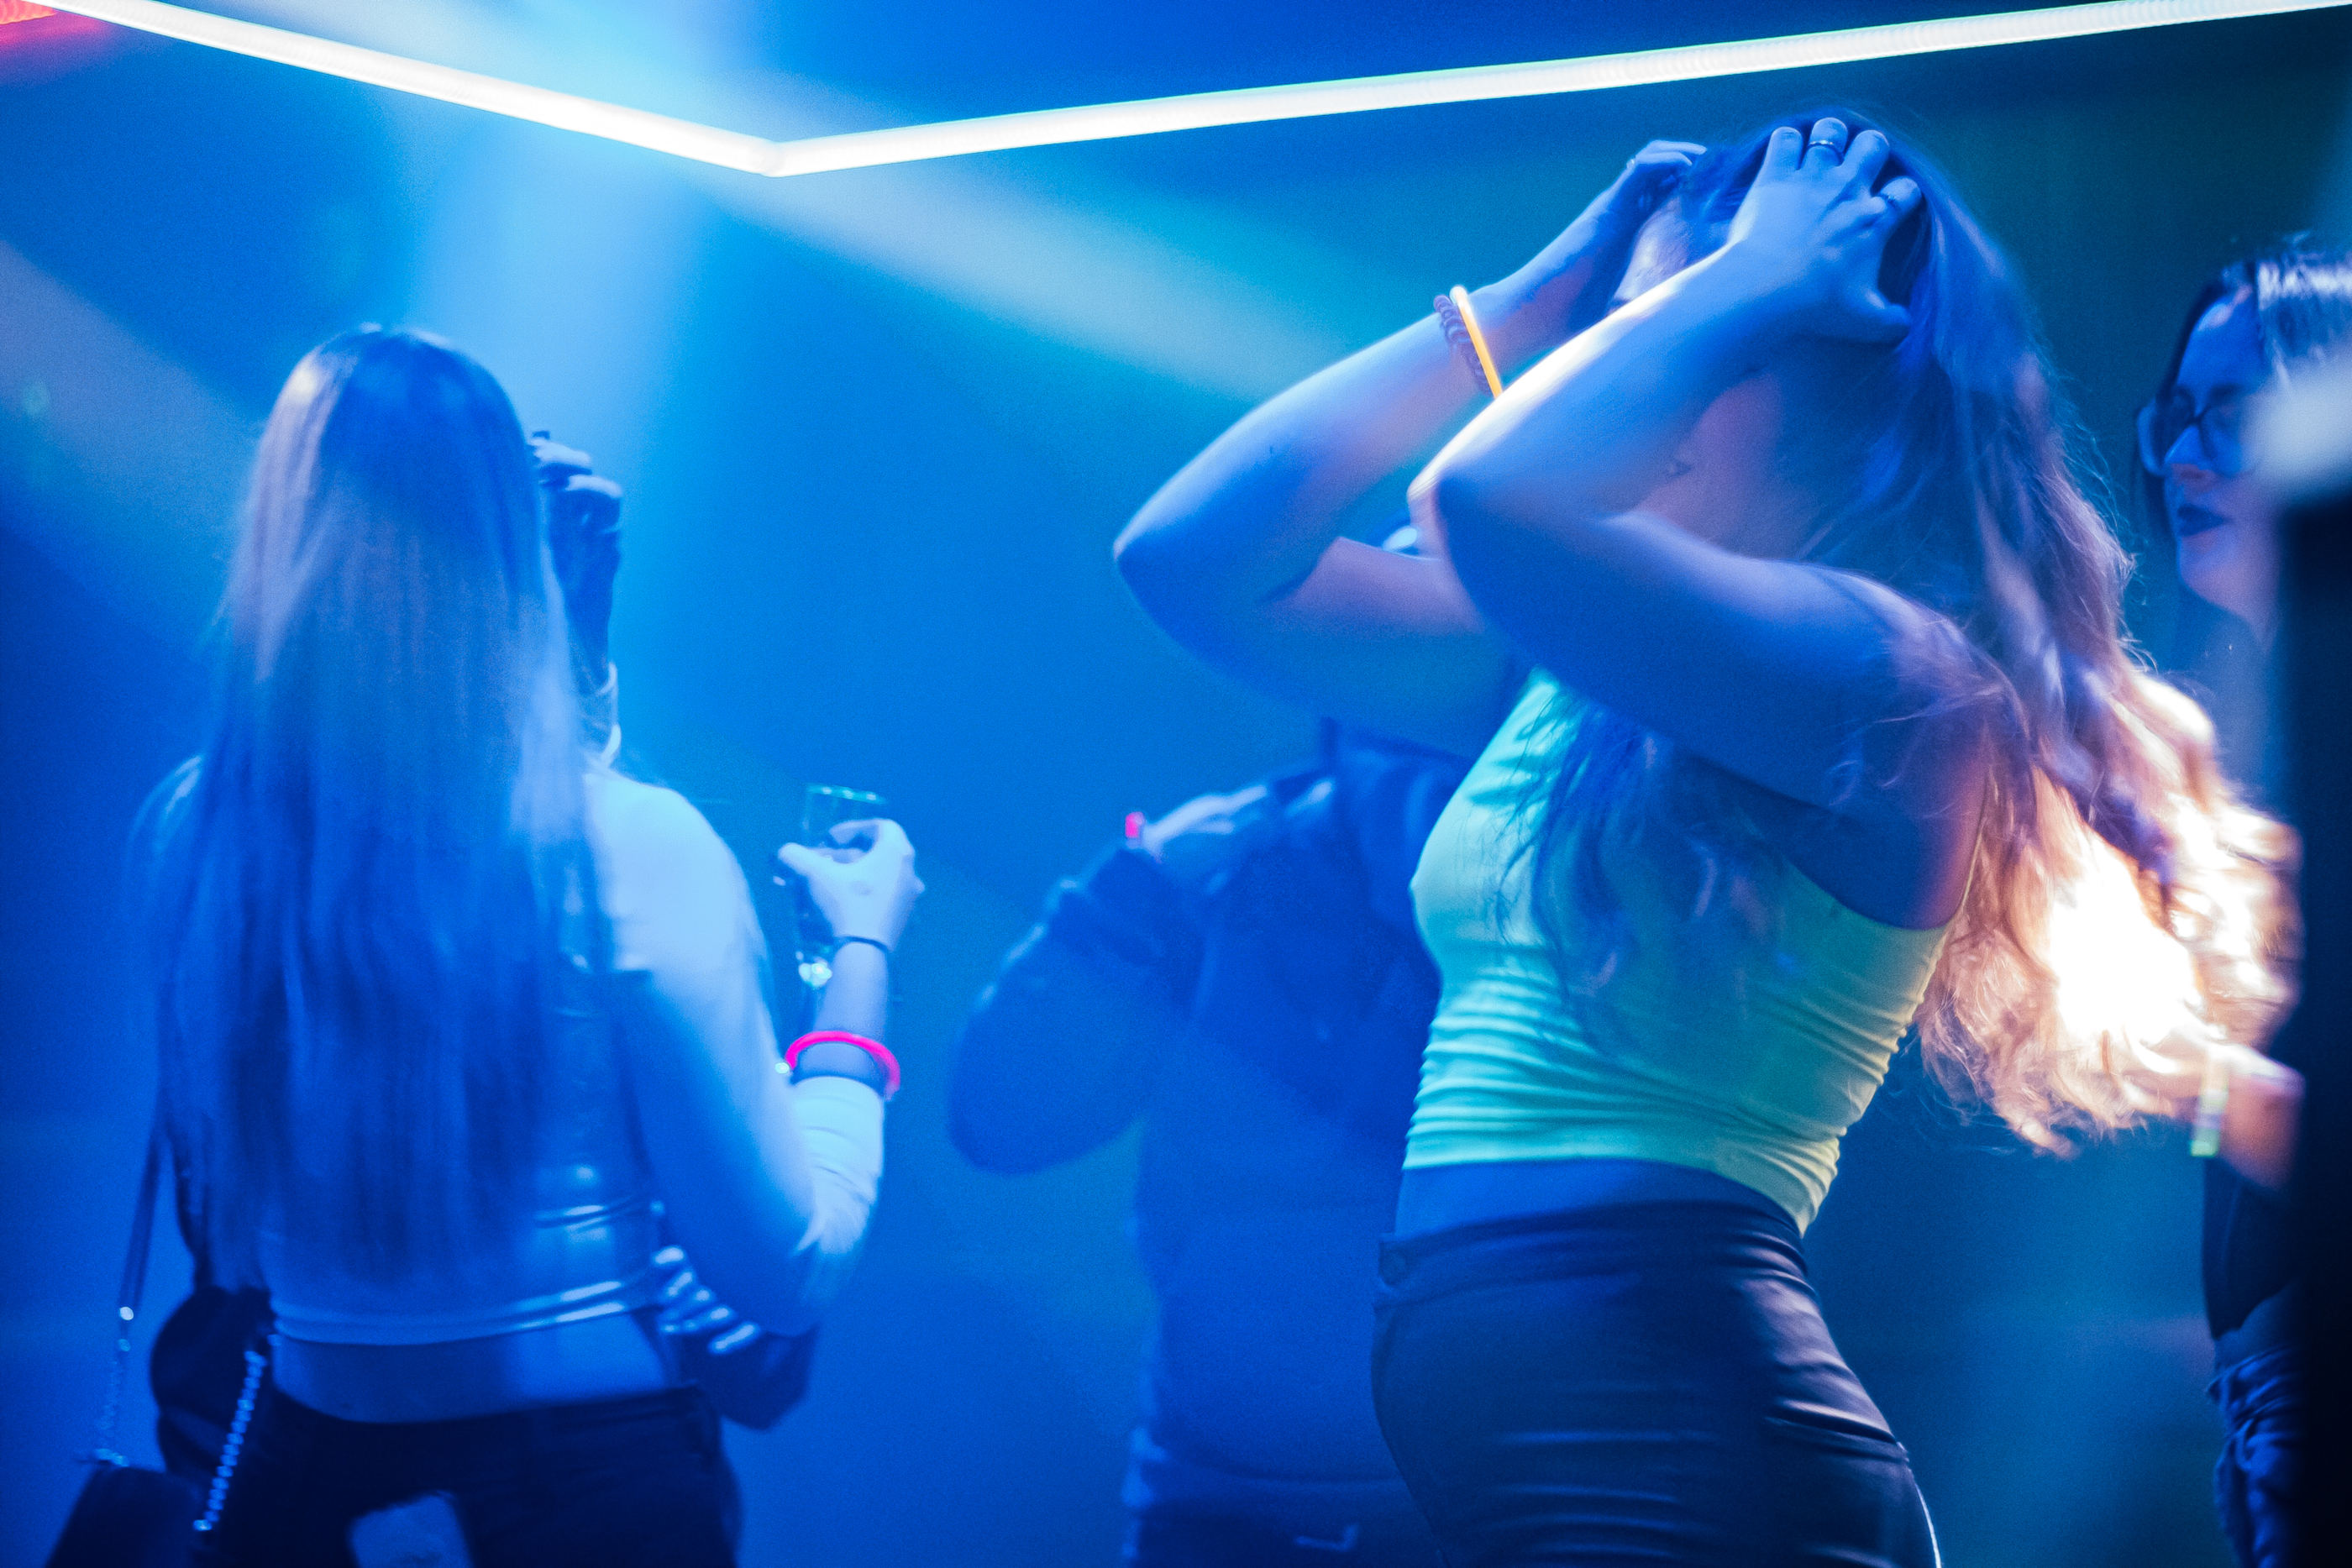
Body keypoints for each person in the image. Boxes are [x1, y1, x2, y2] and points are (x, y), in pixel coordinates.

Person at [1115, 113, 2296, 1564]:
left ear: (1824, 372)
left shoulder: (1893, 674)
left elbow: (1482, 497)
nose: (1621, 369)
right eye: (1622, 326)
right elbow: (1189, 561)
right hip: (1564, 1433)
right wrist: (1524, 304)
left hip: (1682, 1432)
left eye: (1689, 325)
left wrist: (1734, 277)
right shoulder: (1574, 670)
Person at [137, 328, 923, 1565]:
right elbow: (787, 1269)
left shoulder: (199, 836)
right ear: (510, 536)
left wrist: (564, 649)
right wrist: (863, 956)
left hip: (303, 1494)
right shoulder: (634, 845)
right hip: (576, 1497)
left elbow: (448, 836)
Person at [952, 719, 1465, 1567]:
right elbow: (1001, 1118)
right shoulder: (1232, 861)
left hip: (1485, 1497)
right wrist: (1130, 890)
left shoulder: (1571, 869)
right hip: (1215, 1500)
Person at [2138, 242, 2352, 1568]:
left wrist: (2170, 1054)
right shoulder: (2275, 736)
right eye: (2177, 413)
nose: (2179, 458)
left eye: (2229, 412)